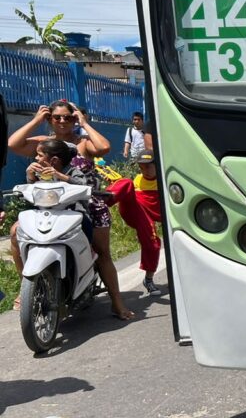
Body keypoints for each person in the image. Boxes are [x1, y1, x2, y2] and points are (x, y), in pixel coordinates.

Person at [7, 100, 135, 319]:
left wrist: (84, 123)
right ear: (49, 119)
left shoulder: (82, 143)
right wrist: (36, 120)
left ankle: (117, 302)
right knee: (15, 233)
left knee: (102, 252)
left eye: (68, 117)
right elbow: (13, 144)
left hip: (87, 204)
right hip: (49, 206)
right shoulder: (43, 144)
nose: (62, 121)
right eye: (56, 117)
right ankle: (29, 288)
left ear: (74, 119)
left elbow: (104, 147)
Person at [9, 139, 94, 283]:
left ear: (54, 160)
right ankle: (24, 280)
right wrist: (30, 176)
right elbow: (32, 192)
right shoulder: (39, 172)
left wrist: (60, 176)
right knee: (14, 231)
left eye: (40, 155)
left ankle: (85, 264)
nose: (36, 158)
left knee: (85, 229)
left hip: (72, 214)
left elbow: (84, 185)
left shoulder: (73, 171)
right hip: (44, 215)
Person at [107, 150, 162, 295]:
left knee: (153, 244)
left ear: (157, 165)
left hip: (150, 216)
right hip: (135, 211)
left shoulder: (165, 179)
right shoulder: (137, 180)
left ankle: (148, 280)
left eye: (148, 166)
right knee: (125, 182)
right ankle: (102, 200)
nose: (145, 171)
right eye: (141, 167)